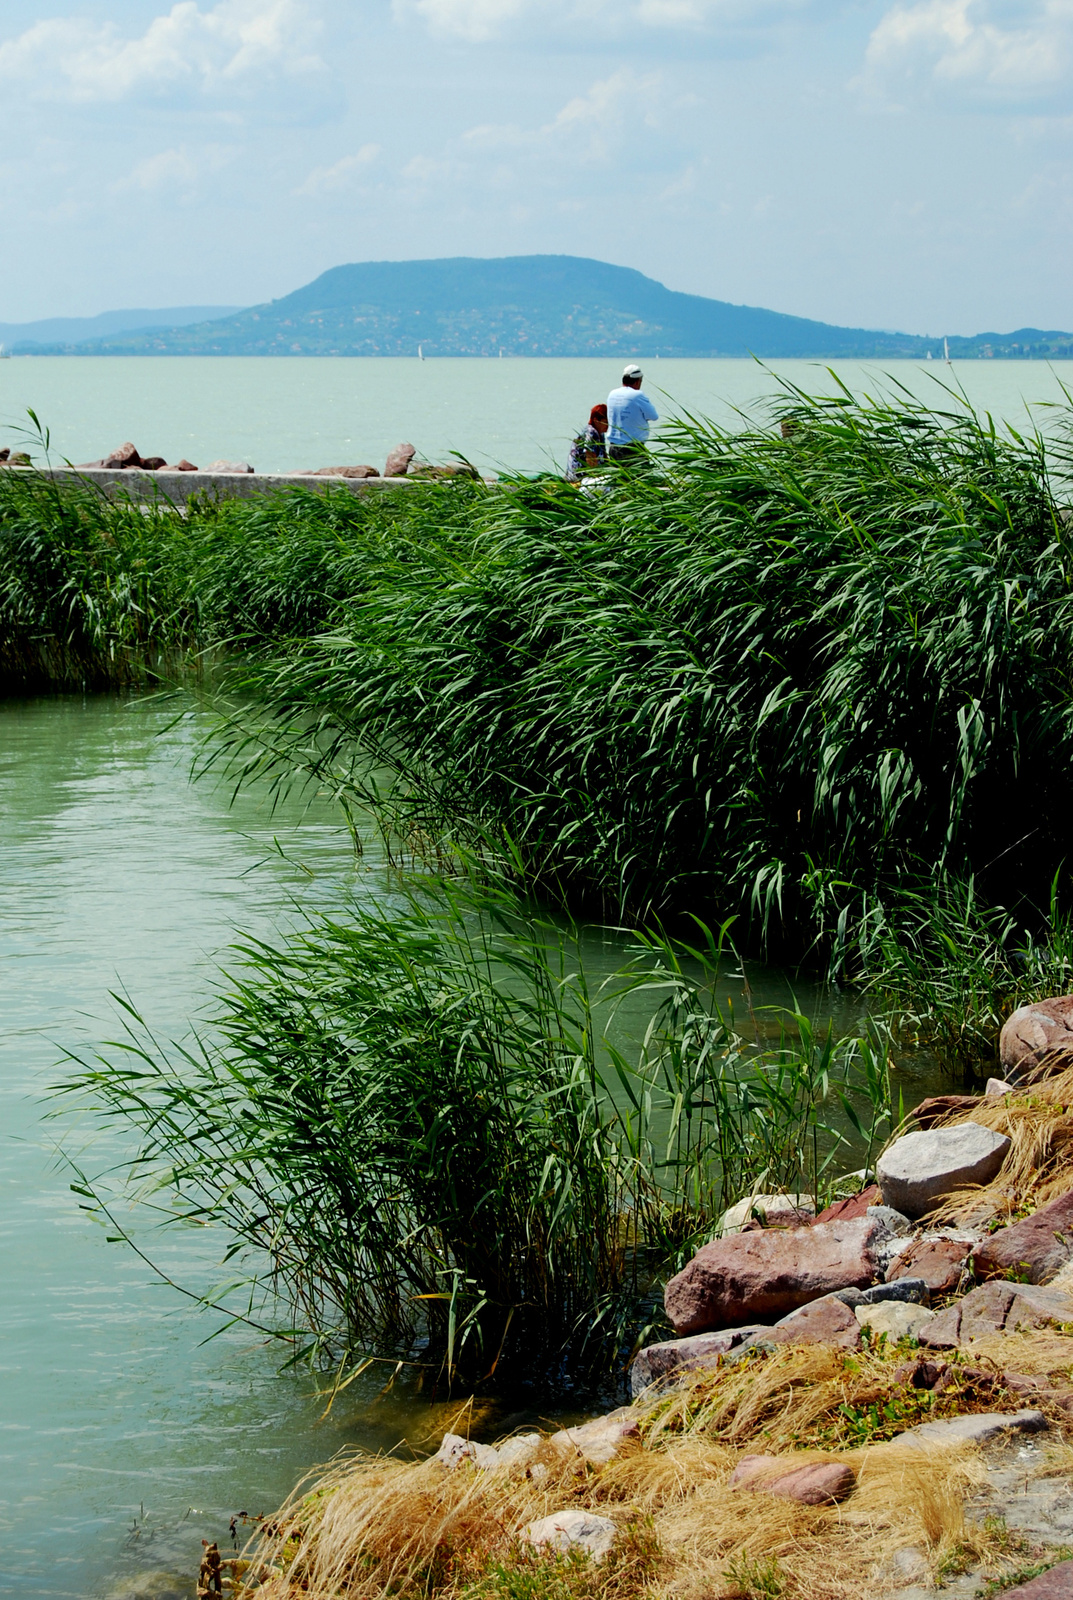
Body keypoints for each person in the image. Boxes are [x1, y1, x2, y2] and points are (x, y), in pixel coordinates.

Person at [606, 364, 657, 464]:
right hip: (633, 449)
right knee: (641, 478)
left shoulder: (612, 394)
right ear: (638, 381)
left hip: (614, 448)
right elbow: (654, 416)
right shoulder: (638, 395)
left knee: (620, 478)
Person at [566, 403, 609, 481]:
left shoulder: (600, 433)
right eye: (606, 422)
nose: (608, 425)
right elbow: (590, 457)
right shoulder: (591, 432)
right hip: (579, 474)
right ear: (596, 420)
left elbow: (604, 455)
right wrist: (598, 477)